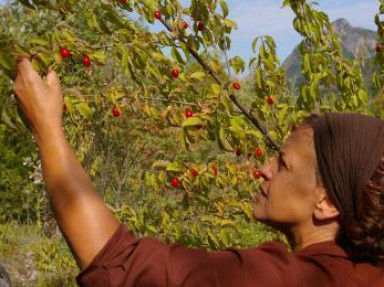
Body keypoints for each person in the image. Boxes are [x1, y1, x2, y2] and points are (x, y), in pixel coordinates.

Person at [13, 57, 384, 287]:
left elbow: (117, 265)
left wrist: (47, 126)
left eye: (283, 163)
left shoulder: (281, 279)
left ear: (327, 202)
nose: (263, 169)